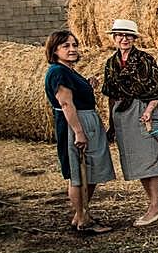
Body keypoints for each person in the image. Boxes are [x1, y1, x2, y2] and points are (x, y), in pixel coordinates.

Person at [101, 19, 158, 227]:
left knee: (151, 160)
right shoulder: (111, 62)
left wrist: (148, 111)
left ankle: (155, 207)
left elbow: (157, 89)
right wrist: (111, 122)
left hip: (143, 111)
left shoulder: (144, 59)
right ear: (114, 38)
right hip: (121, 114)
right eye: (119, 35)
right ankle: (154, 205)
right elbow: (110, 94)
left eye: (128, 35)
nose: (123, 39)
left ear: (134, 38)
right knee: (138, 162)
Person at [43, 30, 115, 234]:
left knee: (90, 171)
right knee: (78, 172)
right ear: (54, 50)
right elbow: (66, 104)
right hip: (75, 123)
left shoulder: (69, 71)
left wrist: (87, 84)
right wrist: (79, 132)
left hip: (85, 120)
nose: (72, 49)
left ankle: (81, 214)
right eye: (66, 46)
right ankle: (83, 219)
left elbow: (74, 93)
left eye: (74, 45)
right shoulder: (58, 72)